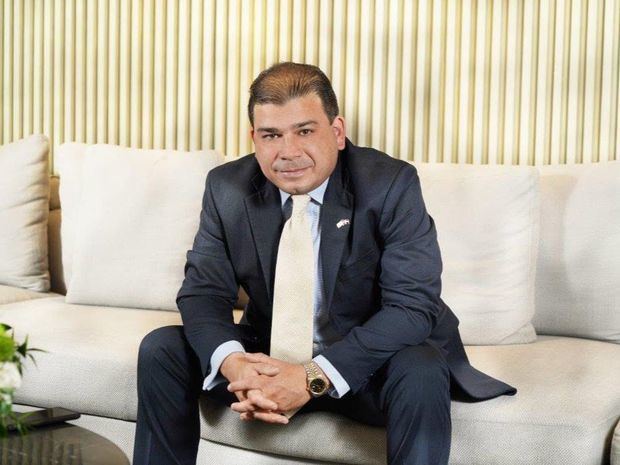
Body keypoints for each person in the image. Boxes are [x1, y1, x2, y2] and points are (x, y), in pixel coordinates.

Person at [133, 62, 516, 465]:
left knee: (421, 367)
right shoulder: (227, 187)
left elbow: (412, 307)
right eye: (271, 135)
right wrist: (236, 365)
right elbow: (203, 292)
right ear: (254, 138)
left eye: (305, 131)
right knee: (163, 348)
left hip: (366, 364)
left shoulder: (390, 184)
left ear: (337, 131)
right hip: (271, 356)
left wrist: (311, 377)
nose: (288, 152)